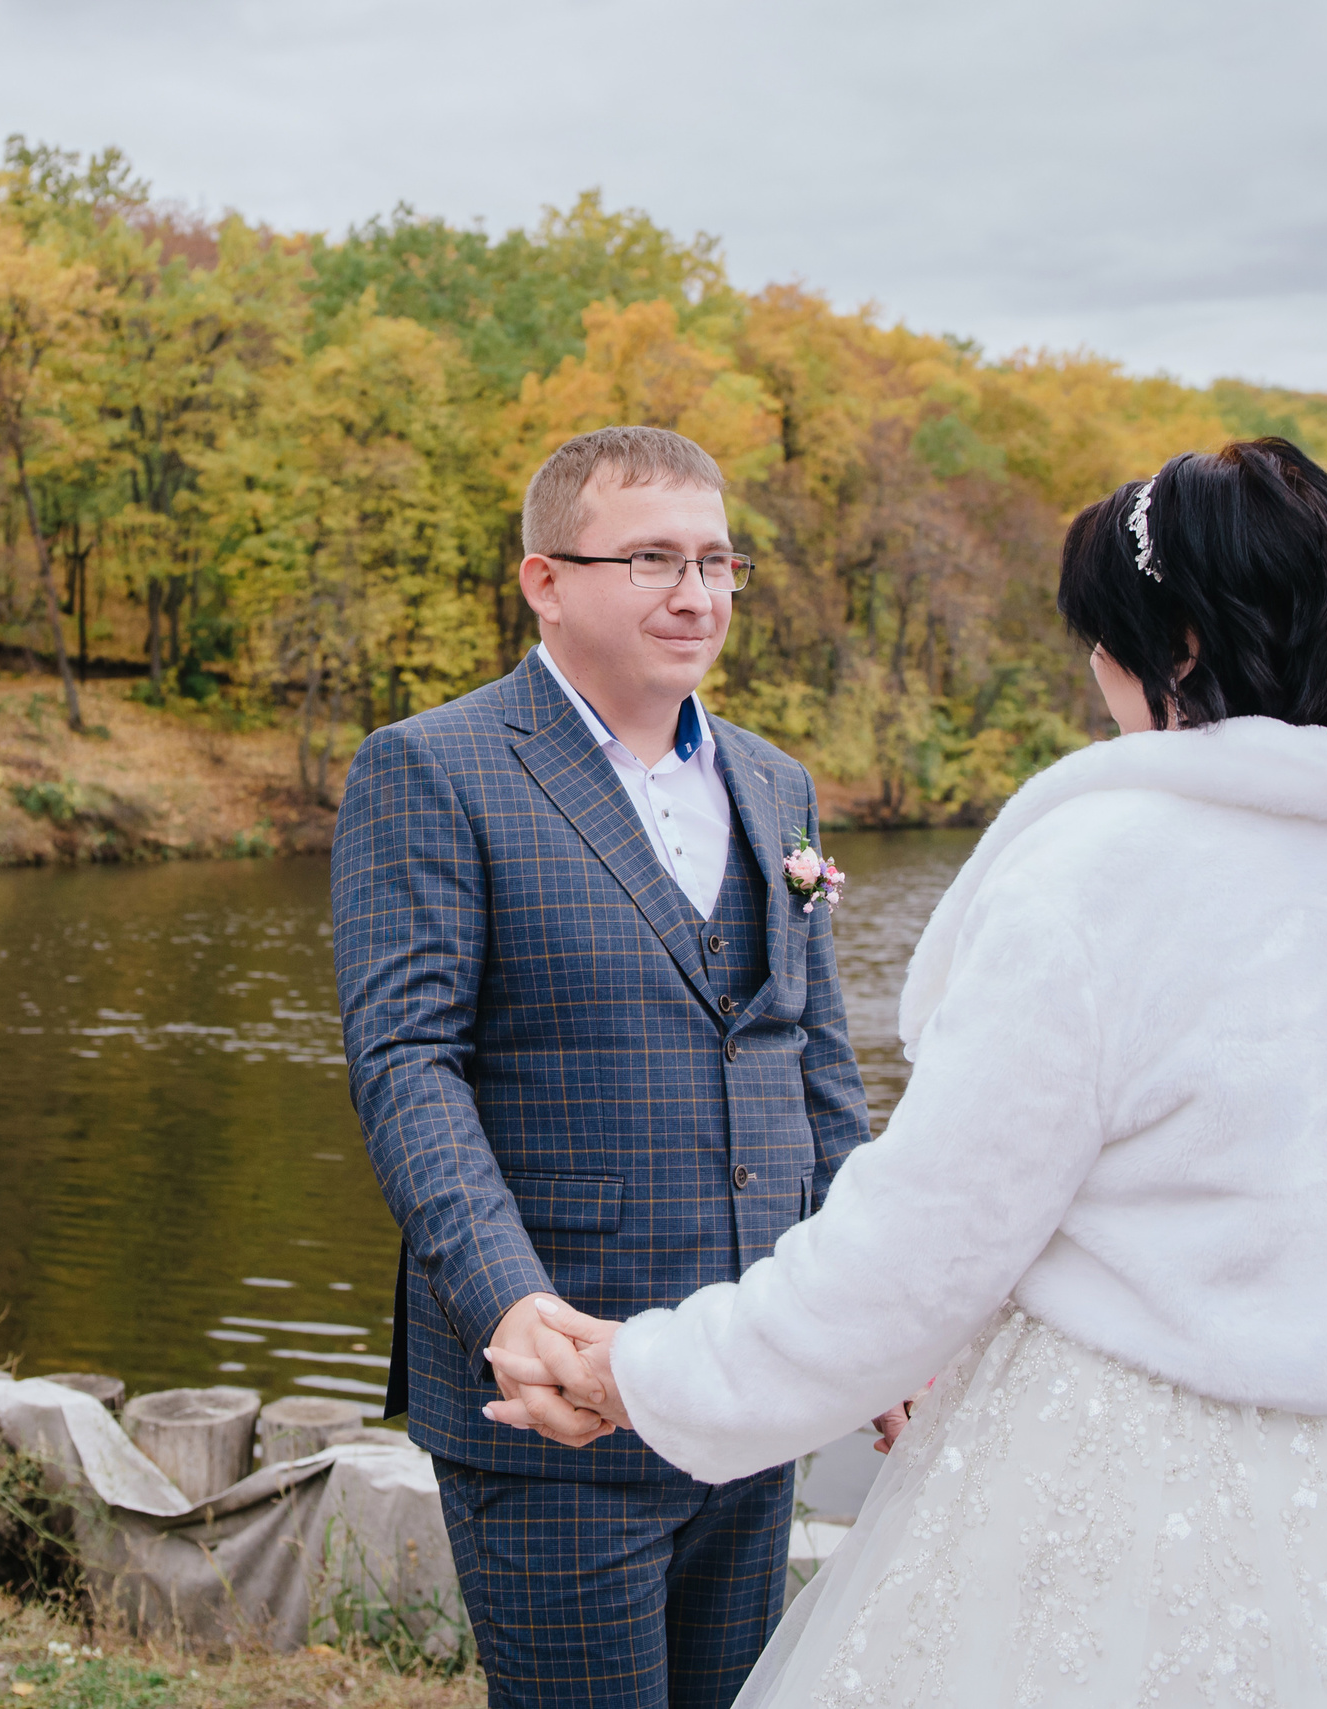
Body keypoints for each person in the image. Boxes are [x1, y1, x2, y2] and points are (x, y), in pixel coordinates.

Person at [501, 437, 1327, 1708]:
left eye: (1104, 636)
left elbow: (920, 1247)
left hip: (1094, 1477)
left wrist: (649, 1373)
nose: (1097, 669)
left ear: (1177, 648)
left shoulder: (1095, 879)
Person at [332, 425, 872, 1708]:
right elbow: (408, 1063)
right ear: (545, 581)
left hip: (746, 1377)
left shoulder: (774, 781)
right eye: (650, 560)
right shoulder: (433, 766)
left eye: (716, 561)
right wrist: (508, 1306)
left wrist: (872, 1306)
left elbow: (818, 1067)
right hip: (557, 1390)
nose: (696, 595)